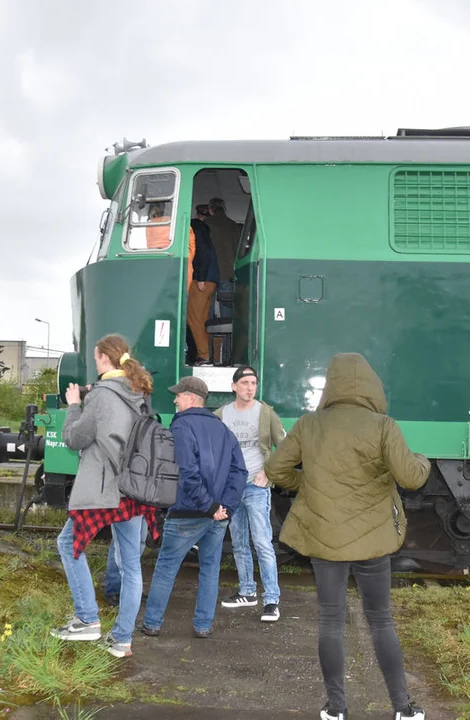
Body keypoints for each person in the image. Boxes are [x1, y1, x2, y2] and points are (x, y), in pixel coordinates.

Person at [264, 353, 430, 720]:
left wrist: (306, 484)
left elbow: (275, 468)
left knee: (330, 621)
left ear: (331, 386)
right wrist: (423, 459)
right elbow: (412, 477)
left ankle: (337, 708)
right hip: (373, 540)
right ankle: (403, 708)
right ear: (371, 385)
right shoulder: (383, 425)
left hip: (324, 537)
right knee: (382, 620)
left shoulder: (309, 424)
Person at [51, 334, 159, 659]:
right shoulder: (139, 391)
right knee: (130, 566)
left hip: (105, 489)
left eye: (96, 357)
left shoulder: (101, 394)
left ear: (102, 360)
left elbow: (74, 438)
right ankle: (122, 641)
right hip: (134, 490)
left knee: (68, 544)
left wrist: (73, 405)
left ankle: (86, 619)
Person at [140, 376, 246, 639]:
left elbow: (186, 472)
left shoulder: (182, 427)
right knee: (210, 569)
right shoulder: (224, 429)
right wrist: (225, 508)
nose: (174, 400)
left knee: (166, 567)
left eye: (178, 395)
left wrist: (209, 506)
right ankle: (203, 626)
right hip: (217, 515)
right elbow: (239, 472)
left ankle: (152, 623)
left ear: (190, 398)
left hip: (189, 511)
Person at [216, 365, 287, 622]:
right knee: (238, 543)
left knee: (262, 542)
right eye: (245, 383)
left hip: (257, 487)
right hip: (232, 489)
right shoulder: (222, 414)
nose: (250, 388)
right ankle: (247, 592)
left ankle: (271, 600)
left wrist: (268, 473)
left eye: (253, 383)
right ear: (234, 386)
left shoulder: (266, 413)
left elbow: (285, 448)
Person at [187, 217, 219, 366]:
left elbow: (202, 254)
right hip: (210, 279)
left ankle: (204, 355)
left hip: (202, 280)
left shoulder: (195, 229)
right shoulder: (204, 231)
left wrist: (200, 277)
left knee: (194, 318)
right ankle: (207, 354)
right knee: (202, 318)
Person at [205, 197, 240, 284]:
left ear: (210, 210)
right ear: (224, 209)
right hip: (229, 272)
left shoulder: (205, 224)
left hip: (210, 272)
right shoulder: (233, 224)